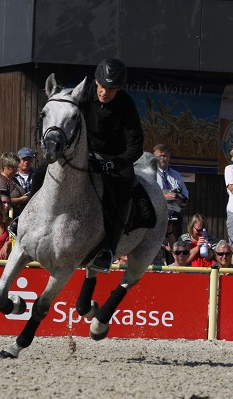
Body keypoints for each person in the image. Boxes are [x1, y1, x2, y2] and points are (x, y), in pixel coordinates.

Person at [82, 58, 144, 271]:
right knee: (44, 169)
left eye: (110, 89)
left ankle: (108, 249)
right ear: (95, 82)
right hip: (84, 153)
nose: (104, 92)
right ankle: (23, 217)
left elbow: (135, 146)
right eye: (101, 86)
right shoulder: (84, 93)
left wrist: (114, 164)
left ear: (119, 88)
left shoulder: (126, 105)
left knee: (124, 188)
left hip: (115, 158)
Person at [153, 143, 189, 234]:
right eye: (159, 156)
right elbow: (147, 195)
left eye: (165, 156)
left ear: (169, 157)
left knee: (176, 246)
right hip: (156, 217)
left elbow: (185, 195)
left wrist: (181, 200)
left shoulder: (176, 175)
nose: (162, 159)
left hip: (174, 217)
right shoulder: (150, 175)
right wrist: (164, 197)